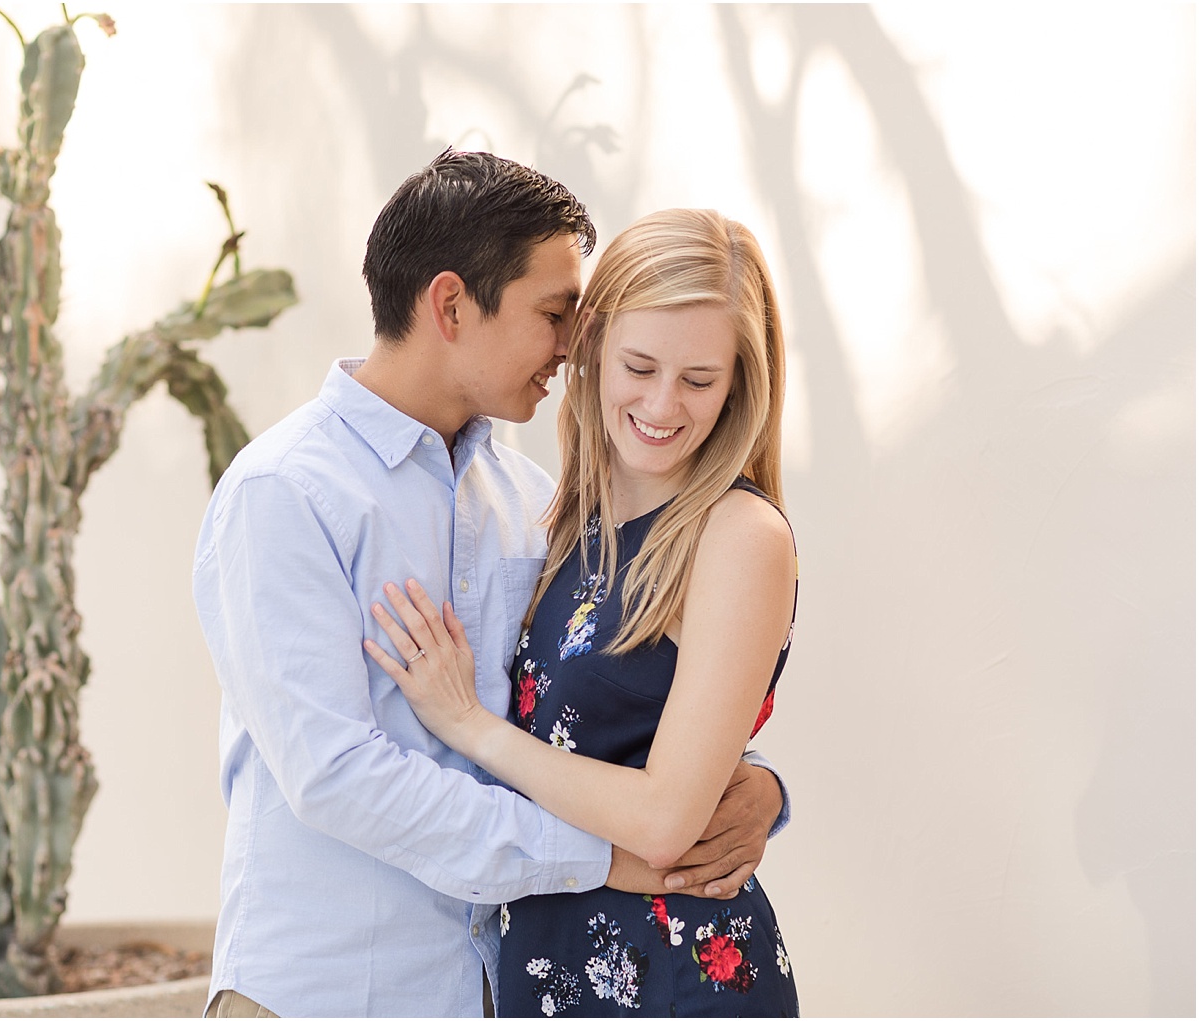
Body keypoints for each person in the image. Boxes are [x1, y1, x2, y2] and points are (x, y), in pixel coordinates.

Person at [194, 155, 789, 1018]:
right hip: (330, 991)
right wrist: (609, 856)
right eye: (554, 313)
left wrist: (748, 785)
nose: (569, 345)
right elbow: (336, 776)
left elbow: (594, 708)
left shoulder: (529, 503)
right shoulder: (285, 494)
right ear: (450, 305)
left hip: (493, 989)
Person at [368, 208, 801, 1016]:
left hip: (675, 977)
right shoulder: (562, 517)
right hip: (546, 963)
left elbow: (667, 820)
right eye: (640, 365)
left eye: (701, 380)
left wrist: (471, 726)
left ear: (742, 379)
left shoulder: (739, 536)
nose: (663, 404)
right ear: (591, 343)